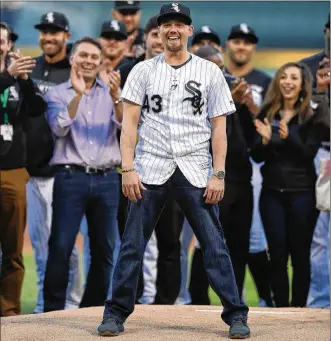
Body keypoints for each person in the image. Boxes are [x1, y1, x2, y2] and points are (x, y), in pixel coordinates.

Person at [98, 3, 250, 339]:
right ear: (160, 30)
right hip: (151, 167)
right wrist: (128, 168)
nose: (173, 29)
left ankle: (236, 315)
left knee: (214, 245)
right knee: (132, 245)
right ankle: (115, 313)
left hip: (195, 167)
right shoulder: (141, 71)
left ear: (189, 31)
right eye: (167, 23)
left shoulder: (210, 72)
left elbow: (219, 129)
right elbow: (130, 125)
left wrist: (218, 173)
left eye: (180, 24)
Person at [43, 37, 123, 311]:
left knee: (105, 251)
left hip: (107, 178)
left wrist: (116, 96)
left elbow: (125, 124)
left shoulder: (112, 92)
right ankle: (53, 311)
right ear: (72, 59)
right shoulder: (58, 93)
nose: (88, 60)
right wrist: (78, 95)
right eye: (83, 56)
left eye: (93, 57)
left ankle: (92, 308)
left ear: (100, 61)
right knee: (61, 246)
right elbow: (59, 129)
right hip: (70, 178)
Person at [251, 62, 329, 307]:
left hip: (302, 195)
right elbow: (256, 155)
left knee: (300, 256)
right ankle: (281, 309)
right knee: (276, 254)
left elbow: (308, 154)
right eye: (283, 77)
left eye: (294, 78)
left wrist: (288, 136)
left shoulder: (312, 114)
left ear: (302, 83)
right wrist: (264, 142)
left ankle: (298, 310)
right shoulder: (267, 112)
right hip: (272, 193)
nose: (287, 82)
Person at [26, 11, 83, 314]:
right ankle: (42, 305)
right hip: (32, 171)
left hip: (64, 170)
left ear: (66, 36)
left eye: (55, 32)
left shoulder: (74, 72)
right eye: (44, 31)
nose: (48, 37)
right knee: (39, 245)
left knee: (64, 244)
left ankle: (71, 304)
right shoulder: (31, 67)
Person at [0, 22, 47, 316]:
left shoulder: (17, 78)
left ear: (8, 45)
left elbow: (38, 109)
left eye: (2, 40)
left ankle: (9, 312)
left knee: (13, 250)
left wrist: (26, 80)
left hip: (14, 170)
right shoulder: (8, 76)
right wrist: (7, 76)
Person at [301, 15, 330, 308]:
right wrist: (322, 92)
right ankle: (321, 301)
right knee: (321, 234)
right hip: (323, 152)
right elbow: (308, 123)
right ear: (326, 31)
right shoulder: (310, 67)